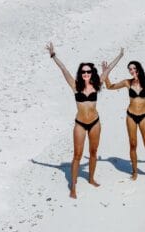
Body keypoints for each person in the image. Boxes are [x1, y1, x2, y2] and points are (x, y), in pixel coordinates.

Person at [101, 48, 145, 183]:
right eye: (130, 70)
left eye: (133, 69)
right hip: (131, 116)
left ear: (138, 69)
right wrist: (105, 73)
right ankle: (134, 172)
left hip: (144, 116)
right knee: (133, 145)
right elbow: (109, 86)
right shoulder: (127, 82)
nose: (132, 71)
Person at [46, 42, 104, 198]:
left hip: (95, 123)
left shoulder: (96, 84)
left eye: (88, 71)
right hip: (80, 123)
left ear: (92, 73)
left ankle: (91, 179)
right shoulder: (75, 85)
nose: (86, 73)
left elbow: (109, 69)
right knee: (77, 155)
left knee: (93, 152)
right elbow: (64, 69)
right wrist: (53, 56)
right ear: (81, 73)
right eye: (83, 71)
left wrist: (119, 56)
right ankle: (73, 187)